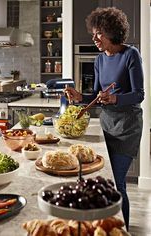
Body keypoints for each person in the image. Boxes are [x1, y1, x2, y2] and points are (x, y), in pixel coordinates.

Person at [65, 7, 144, 231]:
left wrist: (114, 98)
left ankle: (123, 230)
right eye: (93, 33)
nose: (94, 37)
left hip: (127, 127)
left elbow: (139, 94)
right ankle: (104, 228)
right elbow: (98, 98)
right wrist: (81, 98)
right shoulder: (99, 60)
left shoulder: (130, 55)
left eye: (99, 32)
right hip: (106, 125)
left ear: (112, 31)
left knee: (118, 184)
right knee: (104, 182)